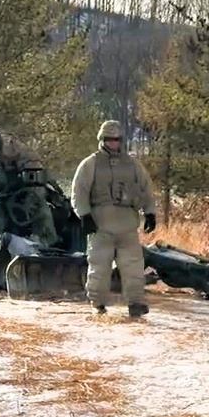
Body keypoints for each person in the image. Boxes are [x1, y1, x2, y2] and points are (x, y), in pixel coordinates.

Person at [70, 120, 158, 318]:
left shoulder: (133, 164)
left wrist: (150, 212)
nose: (113, 143)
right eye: (109, 140)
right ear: (102, 140)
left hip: (127, 225)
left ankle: (136, 303)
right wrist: (84, 215)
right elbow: (79, 191)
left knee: (134, 267)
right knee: (99, 267)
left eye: (116, 140)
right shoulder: (90, 164)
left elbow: (145, 189)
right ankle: (98, 304)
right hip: (101, 226)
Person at [0, 129, 60, 247]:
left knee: (38, 204)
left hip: (28, 173)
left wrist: (33, 191)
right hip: (18, 176)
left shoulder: (5, 144)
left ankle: (46, 239)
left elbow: (29, 162)